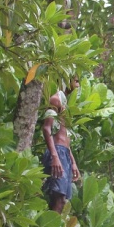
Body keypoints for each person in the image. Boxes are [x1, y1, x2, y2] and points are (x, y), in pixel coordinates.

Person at [40, 80, 80, 213]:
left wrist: (73, 162)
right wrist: (55, 156)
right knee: (58, 198)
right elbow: (47, 129)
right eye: (76, 81)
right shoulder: (55, 99)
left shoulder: (65, 103)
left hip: (64, 153)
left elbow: (65, 137)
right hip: (57, 151)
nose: (78, 85)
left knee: (62, 200)